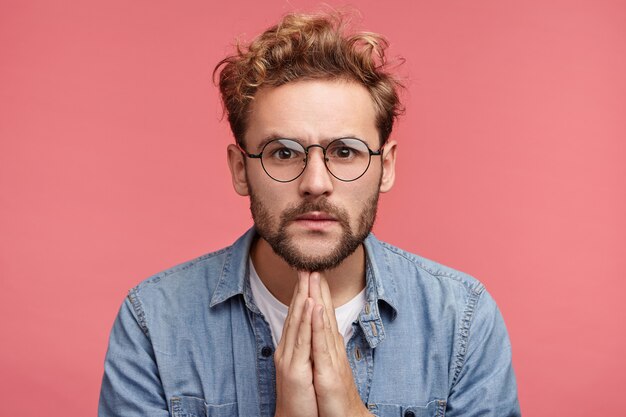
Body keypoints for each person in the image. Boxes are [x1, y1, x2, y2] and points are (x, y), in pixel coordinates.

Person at [99, 11, 520, 417]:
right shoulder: (153, 320)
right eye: (283, 153)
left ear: (385, 167)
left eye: (344, 151)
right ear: (240, 169)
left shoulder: (462, 319)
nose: (316, 182)